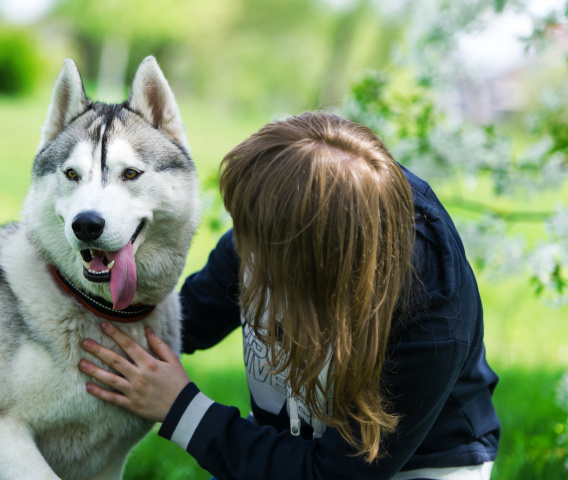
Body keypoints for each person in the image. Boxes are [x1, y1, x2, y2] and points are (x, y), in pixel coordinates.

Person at [78, 111, 500, 479]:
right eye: (243, 228)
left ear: (317, 259)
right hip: (286, 446)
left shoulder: (430, 313)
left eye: (259, 242)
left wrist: (181, 408)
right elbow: (188, 321)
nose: (243, 252)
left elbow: (337, 474)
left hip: (417, 467)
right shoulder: (267, 230)